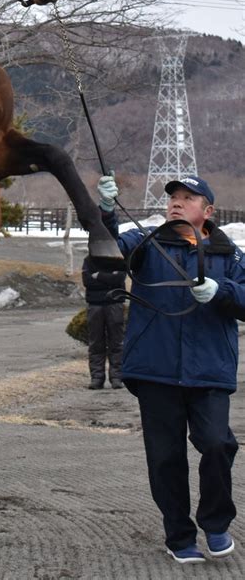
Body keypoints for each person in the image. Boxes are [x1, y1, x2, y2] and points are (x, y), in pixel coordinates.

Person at [96, 173, 245, 564]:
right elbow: (107, 247)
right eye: (173, 197)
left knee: (217, 443)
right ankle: (179, 536)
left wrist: (223, 291)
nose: (176, 202)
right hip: (155, 370)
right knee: (165, 457)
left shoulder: (228, 254)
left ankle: (215, 523)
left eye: (188, 197)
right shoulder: (145, 241)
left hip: (210, 370)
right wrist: (106, 211)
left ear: (207, 211)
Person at [82, 254, 126, 389]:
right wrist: (109, 278)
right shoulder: (89, 260)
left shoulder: (118, 259)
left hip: (115, 303)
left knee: (117, 342)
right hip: (95, 304)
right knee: (96, 342)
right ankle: (97, 377)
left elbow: (119, 278)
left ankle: (117, 377)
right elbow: (87, 281)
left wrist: (98, 276)